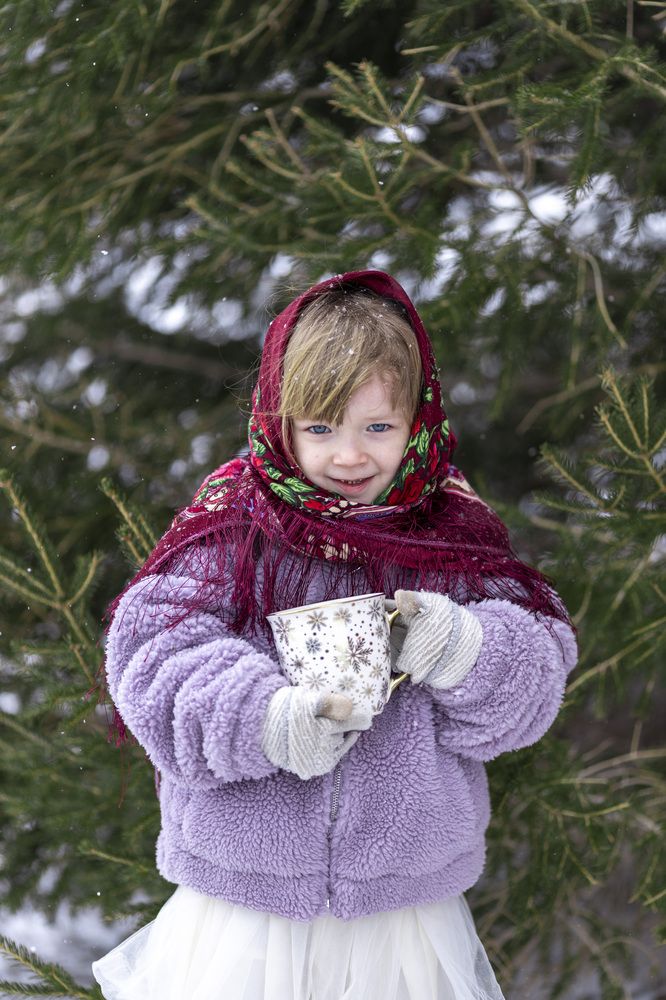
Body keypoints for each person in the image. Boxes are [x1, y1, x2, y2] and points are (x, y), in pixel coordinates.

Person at [92, 269, 578, 1000]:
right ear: (279, 420)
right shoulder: (234, 525)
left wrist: (464, 649)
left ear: (416, 419)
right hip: (245, 912)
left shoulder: (452, 532)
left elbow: (533, 676)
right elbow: (156, 656)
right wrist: (265, 721)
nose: (349, 458)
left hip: (403, 914)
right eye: (320, 429)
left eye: (377, 428)